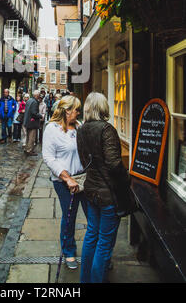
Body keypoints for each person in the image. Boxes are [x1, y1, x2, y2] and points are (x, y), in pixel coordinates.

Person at [77, 92, 126, 283]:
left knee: (91, 236)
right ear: (103, 107)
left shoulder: (81, 130)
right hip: (108, 194)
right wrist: (126, 179)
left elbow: (84, 162)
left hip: (91, 190)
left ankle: (84, 280)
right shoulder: (107, 129)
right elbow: (114, 164)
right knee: (104, 243)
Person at [42, 95, 87, 270]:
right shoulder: (51, 129)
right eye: (76, 109)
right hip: (63, 181)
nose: (78, 112)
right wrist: (66, 178)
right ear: (67, 111)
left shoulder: (79, 126)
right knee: (70, 216)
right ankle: (69, 250)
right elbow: (48, 157)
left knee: (92, 215)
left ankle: (97, 253)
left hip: (83, 178)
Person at [23, 90, 42, 156]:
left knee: (28, 136)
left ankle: (26, 148)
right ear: (36, 95)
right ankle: (29, 150)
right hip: (32, 122)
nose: (39, 96)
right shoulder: (34, 102)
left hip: (27, 121)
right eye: (39, 94)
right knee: (32, 136)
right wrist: (40, 115)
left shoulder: (29, 100)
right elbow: (34, 113)